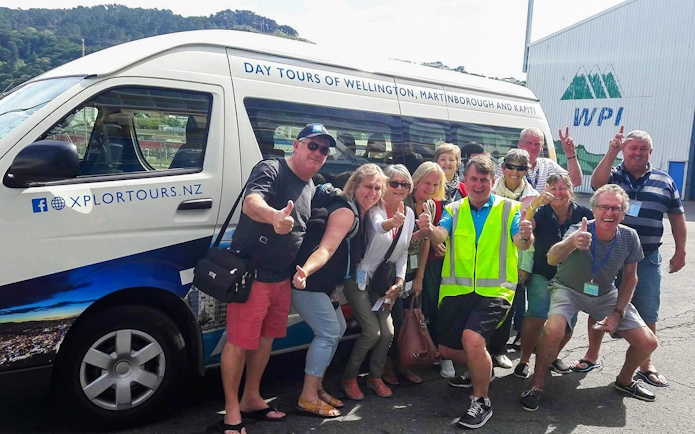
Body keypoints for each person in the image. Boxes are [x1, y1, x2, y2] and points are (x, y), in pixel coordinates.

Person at [220, 123, 335, 434]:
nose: (318, 153)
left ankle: (252, 398)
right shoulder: (271, 168)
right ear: (296, 145)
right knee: (239, 341)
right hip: (253, 272)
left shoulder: (310, 186)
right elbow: (251, 202)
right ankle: (232, 411)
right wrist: (273, 217)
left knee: (266, 339)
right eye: (313, 145)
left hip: (281, 276)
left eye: (324, 150)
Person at [418, 155, 533, 429]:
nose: (479, 184)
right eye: (474, 179)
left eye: (484, 179)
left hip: (496, 291)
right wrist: (428, 229)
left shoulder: (510, 209)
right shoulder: (453, 209)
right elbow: (441, 236)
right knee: (446, 348)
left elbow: (521, 242)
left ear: (492, 182)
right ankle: (481, 369)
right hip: (457, 291)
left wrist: (526, 235)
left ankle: (481, 401)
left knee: (472, 339)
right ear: (465, 180)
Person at [520, 184, 659, 411]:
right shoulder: (579, 229)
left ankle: (624, 381)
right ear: (594, 210)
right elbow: (552, 258)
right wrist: (571, 242)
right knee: (554, 328)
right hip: (568, 288)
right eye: (604, 207)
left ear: (624, 212)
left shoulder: (629, 236)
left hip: (604, 294)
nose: (610, 213)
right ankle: (536, 384)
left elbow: (630, 278)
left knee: (648, 342)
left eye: (616, 208)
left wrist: (617, 313)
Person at [580, 127, 687, 386]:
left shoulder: (665, 180)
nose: (637, 153)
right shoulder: (614, 176)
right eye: (632, 148)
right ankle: (592, 354)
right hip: (610, 255)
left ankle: (645, 363)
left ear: (650, 152)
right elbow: (596, 184)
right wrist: (611, 152)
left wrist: (681, 250)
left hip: (647, 258)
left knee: (649, 310)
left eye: (642, 149)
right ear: (625, 151)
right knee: (599, 305)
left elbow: (676, 216)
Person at [291, 164, 384, 418]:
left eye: (378, 188)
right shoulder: (346, 214)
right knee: (329, 332)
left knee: (339, 328)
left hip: (323, 285)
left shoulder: (359, 211)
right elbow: (326, 249)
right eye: (368, 187)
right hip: (308, 282)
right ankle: (307, 397)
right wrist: (306, 272)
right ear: (354, 186)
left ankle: (317, 388)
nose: (373, 192)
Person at [341, 164, 415, 400]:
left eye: (405, 184)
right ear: (385, 186)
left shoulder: (410, 214)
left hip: (383, 283)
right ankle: (349, 378)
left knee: (387, 333)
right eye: (394, 183)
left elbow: (402, 251)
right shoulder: (376, 209)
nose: (400, 188)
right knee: (372, 332)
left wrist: (400, 282)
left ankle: (375, 377)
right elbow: (377, 226)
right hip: (360, 280)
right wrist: (392, 223)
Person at [513, 173, 593, 379]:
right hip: (543, 271)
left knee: (568, 322)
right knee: (537, 314)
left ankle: (550, 357)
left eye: (562, 188)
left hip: (571, 276)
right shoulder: (541, 212)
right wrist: (538, 201)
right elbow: (525, 226)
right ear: (547, 190)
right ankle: (524, 360)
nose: (558, 192)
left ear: (571, 191)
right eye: (553, 188)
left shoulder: (583, 213)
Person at [383, 162, 446, 386]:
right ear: (416, 181)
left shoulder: (428, 205)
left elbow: (427, 241)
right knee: (395, 321)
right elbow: (397, 242)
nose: (429, 188)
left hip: (412, 270)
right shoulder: (404, 203)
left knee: (409, 320)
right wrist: (418, 237)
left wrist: (419, 277)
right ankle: (387, 368)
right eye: (426, 182)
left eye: (435, 184)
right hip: (394, 269)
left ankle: (404, 365)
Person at [487, 149, 539, 370]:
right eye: (510, 166)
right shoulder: (489, 189)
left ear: (529, 170)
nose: (515, 172)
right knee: (483, 305)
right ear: (503, 167)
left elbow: (531, 235)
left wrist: (525, 266)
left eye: (521, 167)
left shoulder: (534, 197)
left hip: (514, 260)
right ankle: (480, 350)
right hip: (487, 257)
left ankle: (499, 351)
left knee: (506, 308)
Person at [432, 143, 468, 378]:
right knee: (435, 305)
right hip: (434, 255)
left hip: (459, 257)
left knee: (456, 306)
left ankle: (451, 353)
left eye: (451, 160)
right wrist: (435, 241)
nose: (447, 164)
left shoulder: (464, 189)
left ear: (458, 163)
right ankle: (438, 353)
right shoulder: (432, 184)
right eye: (443, 159)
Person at [496, 127, 582, 191]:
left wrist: (570, 154)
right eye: (529, 143)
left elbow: (575, 181)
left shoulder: (548, 165)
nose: (533, 147)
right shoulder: (508, 166)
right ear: (520, 144)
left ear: (541, 147)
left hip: (542, 214)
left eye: (537, 144)